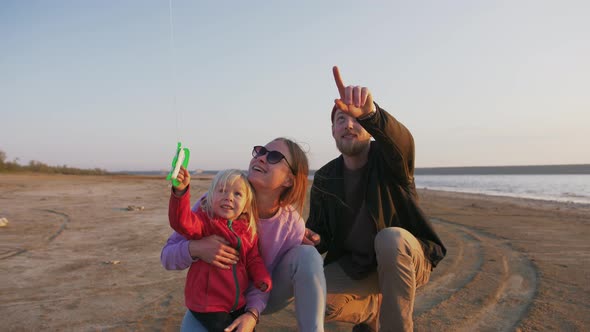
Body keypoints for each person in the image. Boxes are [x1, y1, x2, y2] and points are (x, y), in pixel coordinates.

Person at [303, 66, 447, 332]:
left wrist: (371, 114)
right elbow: (321, 230)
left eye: (356, 120)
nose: (348, 124)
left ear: (369, 129)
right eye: (340, 120)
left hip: (404, 258)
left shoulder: (390, 160)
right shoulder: (325, 177)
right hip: (358, 266)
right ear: (333, 132)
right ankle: (373, 309)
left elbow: (402, 141)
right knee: (316, 301)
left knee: (390, 239)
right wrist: (313, 238)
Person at [161, 138, 326, 332]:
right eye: (260, 151)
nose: (262, 158)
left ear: (289, 179)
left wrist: (252, 314)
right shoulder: (214, 204)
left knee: (307, 255)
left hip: (262, 296)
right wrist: (196, 248)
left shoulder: (292, 224)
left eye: (274, 156)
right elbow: (167, 257)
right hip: (212, 303)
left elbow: (273, 269)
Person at [168, 168, 271, 332]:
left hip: (237, 303)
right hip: (207, 304)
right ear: (210, 197)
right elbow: (182, 222)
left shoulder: (248, 231)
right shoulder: (204, 222)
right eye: (222, 190)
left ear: (246, 206)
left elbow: (253, 259)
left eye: (237, 194)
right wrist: (180, 193)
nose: (228, 197)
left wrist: (261, 277)